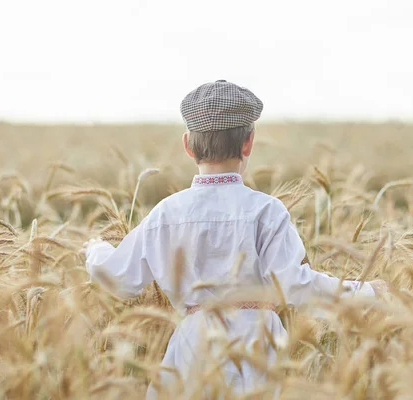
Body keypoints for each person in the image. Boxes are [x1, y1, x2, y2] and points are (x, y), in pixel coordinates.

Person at [84, 80, 387, 398]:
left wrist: (95, 250)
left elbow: (118, 277)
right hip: (257, 347)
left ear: (188, 145)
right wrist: (365, 292)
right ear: (249, 143)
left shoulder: (167, 212)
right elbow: (295, 285)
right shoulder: (267, 211)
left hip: (191, 349)